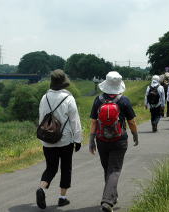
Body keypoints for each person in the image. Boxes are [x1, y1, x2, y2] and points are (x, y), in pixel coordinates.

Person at [89, 71, 139, 212]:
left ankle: (111, 197)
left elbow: (93, 122)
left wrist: (91, 140)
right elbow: (132, 121)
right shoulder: (124, 100)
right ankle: (108, 201)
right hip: (119, 140)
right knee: (115, 170)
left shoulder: (98, 100)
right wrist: (135, 135)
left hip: (101, 140)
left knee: (108, 169)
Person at [36, 69, 82, 209]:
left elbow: (41, 118)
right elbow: (75, 121)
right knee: (66, 168)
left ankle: (42, 188)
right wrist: (78, 139)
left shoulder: (44, 97)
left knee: (51, 168)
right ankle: (62, 198)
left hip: (48, 140)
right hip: (65, 140)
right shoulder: (68, 98)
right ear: (64, 82)